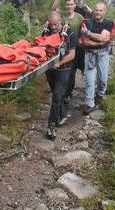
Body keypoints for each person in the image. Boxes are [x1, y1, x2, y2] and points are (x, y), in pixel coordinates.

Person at [44, 11, 75, 140]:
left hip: (64, 68)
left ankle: (51, 126)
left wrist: (60, 63)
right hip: (50, 69)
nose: (53, 27)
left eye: (55, 24)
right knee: (56, 94)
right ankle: (62, 115)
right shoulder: (46, 32)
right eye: (51, 25)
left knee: (56, 96)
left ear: (60, 21)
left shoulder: (69, 33)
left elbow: (72, 54)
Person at [80, 2, 114, 115]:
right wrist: (99, 41)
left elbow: (103, 37)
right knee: (89, 81)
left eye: (100, 10)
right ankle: (90, 103)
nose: (98, 12)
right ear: (94, 11)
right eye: (96, 10)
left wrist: (89, 34)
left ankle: (99, 95)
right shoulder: (87, 22)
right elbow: (84, 41)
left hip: (103, 54)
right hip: (89, 54)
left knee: (102, 79)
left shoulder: (109, 23)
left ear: (104, 12)